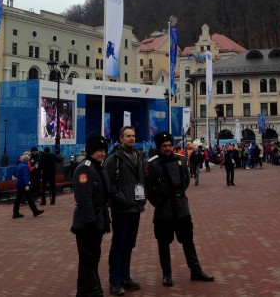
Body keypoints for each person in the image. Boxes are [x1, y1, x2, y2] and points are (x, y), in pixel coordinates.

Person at [145, 131, 214, 287]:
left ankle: (195, 270)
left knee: (188, 240)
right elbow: (149, 189)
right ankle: (167, 274)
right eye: (164, 146)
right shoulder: (152, 164)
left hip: (181, 208)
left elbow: (185, 181)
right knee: (163, 243)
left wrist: (179, 194)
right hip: (164, 210)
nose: (168, 148)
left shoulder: (181, 159)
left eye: (169, 145)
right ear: (159, 147)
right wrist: (159, 202)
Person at [103, 126, 146, 296]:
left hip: (135, 207)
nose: (131, 139)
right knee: (118, 245)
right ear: (121, 139)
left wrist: (142, 197)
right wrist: (119, 198)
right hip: (121, 208)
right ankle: (115, 281)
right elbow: (108, 183)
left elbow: (142, 179)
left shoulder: (139, 156)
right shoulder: (114, 159)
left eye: (133, 136)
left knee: (129, 244)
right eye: (128, 136)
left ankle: (125, 277)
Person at [71, 135, 111, 297]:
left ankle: (83, 290)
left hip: (98, 219)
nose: (102, 154)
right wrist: (91, 221)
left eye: (104, 150)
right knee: (90, 257)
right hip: (87, 223)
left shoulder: (99, 167)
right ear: (90, 151)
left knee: (90, 257)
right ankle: (95, 290)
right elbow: (84, 198)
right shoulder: (85, 168)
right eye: (99, 150)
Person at [13, 154, 44, 219]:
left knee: (18, 199)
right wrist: (27, 185)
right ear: (27, 160)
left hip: (19, 183)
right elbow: (25, 176)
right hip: (23, 184)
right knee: (29, 198)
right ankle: (35, 211)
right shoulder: (25, 166)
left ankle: (15, 213)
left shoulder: (19, 165)